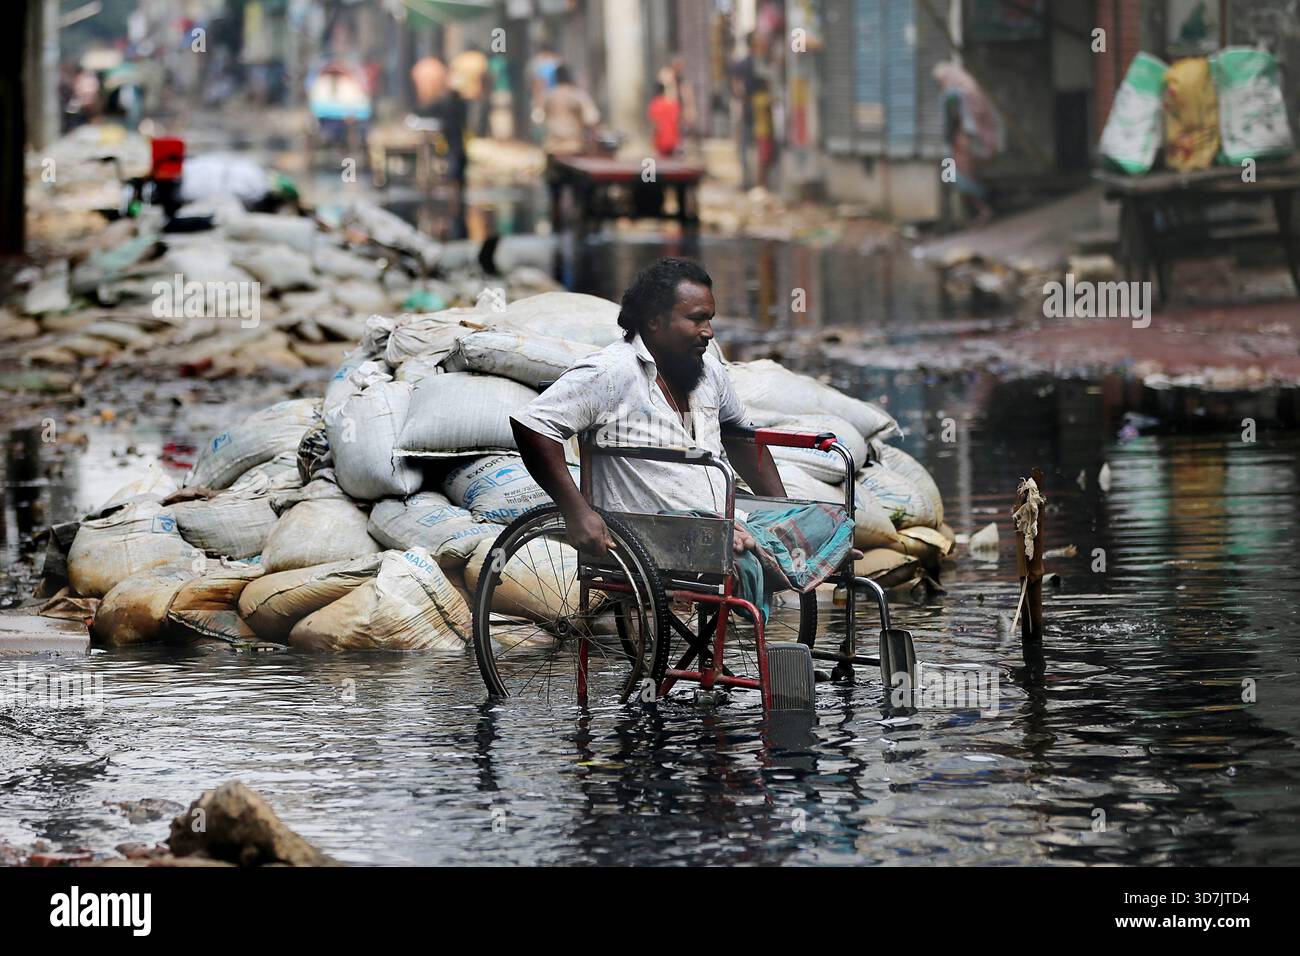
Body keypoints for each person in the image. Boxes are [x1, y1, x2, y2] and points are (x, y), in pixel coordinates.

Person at [509, 258, 854, 620]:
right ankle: (766, 547)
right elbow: (533, 425)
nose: (708, 332)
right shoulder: (612, 373)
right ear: (654, 321)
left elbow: (740, 437)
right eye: (696, 319)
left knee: (828, 520)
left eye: (710, 320)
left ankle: (769, 543)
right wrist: (577, 511)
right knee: (772, 543)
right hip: (656, 531)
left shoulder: (708, 373)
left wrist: (782, 514)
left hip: (717, 520)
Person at [933, 61, 1000, 227]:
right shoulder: (961, 92)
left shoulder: (951, 94)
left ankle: (979, 209)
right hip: (960, 140)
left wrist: (950, 141)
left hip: (956, 141)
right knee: (957, 176)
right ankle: (972, 211)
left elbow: (953, 119)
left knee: (954, 177)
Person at [729, 33, 759, 190]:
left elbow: (737, 88)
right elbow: (738, 87)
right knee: (748, 147)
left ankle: (750, 181)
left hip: (753, 111)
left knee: (747, 147)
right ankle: (751, 181)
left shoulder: (747, 64)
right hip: (755, 112)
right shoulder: (755, 63)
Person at [752, 76, 775, 189]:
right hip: (764, 132)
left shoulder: (758, 98)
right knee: (763, 160)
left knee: (764, 160)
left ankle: (763, 184)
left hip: (763, 132)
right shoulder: (761, 98)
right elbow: (773, 102)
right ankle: (762, 184)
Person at [648, 81, 681, 158]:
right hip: (674, 141)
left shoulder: (655, 104)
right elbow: (678, 123)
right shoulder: (674, 105)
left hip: (661, 142)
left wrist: (652, 143)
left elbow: (655, 125)